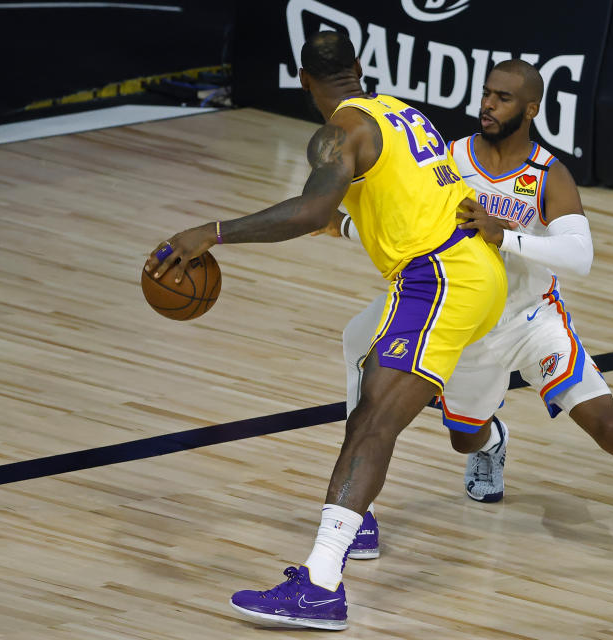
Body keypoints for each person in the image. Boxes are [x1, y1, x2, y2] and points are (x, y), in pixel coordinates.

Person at [143, 31, 507, 630]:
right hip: (471, 272)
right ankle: (356, 523)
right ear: (359, 71)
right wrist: (342, 227)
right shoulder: (399, 111)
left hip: (438, 279)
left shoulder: (339, 132)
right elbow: (393, 205)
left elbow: (309, 209)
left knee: (372, 421)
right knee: (367, 365)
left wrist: (209, 231)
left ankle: (320, 582)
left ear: (303, 79)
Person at [329, 60, 613, 577]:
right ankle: (492, 442)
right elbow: (410, 237)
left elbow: (579, 257)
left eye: (502, 98)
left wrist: (505, 235)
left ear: (531, 108)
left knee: (608, 425)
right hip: (464, 323)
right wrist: (343, 227)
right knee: (463, 437)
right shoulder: (449, 159)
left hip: (531, 321)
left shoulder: (548, 174)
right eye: (486, 94)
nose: (488, 106)